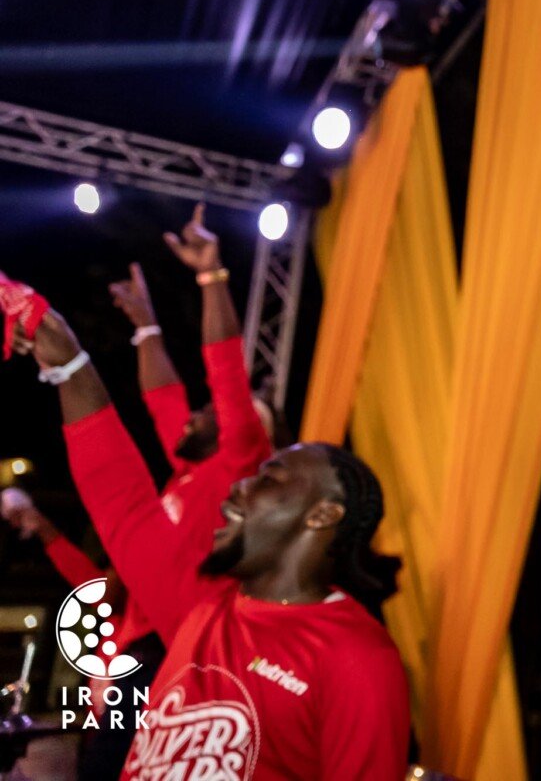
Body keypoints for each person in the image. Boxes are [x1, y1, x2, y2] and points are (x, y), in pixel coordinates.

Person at [10, 300, 410, 780]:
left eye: (269, 478)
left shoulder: (354, 657)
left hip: (146, 655)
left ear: (323, 514)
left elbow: (229, 390)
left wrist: (211, 280)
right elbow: (118, 490)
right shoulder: (203, 614)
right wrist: (69, 363)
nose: (239, 489)